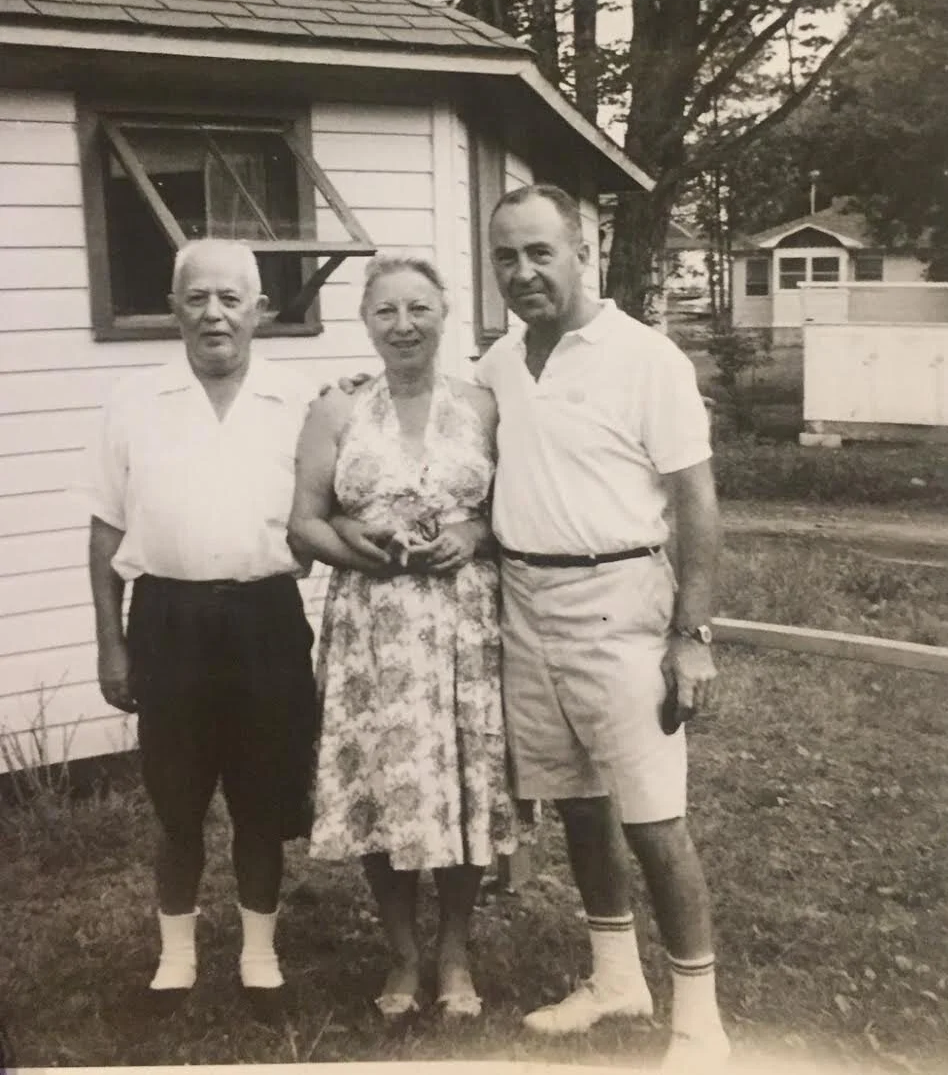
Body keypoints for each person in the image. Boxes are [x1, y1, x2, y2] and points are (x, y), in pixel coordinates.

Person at [475, 183, 729, 1073]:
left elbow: (696, 499)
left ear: (582, 249)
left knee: (654, 818)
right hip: (525, 603)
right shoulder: (499, 364)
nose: (523, 271)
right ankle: (616, 977)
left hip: (622, 601)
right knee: (579, 803)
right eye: (505, 256)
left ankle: (699, 1018)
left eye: (540, 252)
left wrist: (691, 634)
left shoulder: (645, 357)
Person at [86, 239, 317, 1014]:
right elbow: (105, 533)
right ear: (174, 309)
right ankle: (176, 959)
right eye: (196, 299)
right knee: (176, 803)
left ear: (259, 311)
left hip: (265, 621)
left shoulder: (300, 402)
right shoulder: (134, 401)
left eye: (230, 299)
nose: (213, 314)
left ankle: (259, 957)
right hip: (168, 619)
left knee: (261, 799)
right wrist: (110, 644)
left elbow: (322, 518)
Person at [287, 255, 518, 1022]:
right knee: (383, 785)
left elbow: (514, 509)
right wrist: (365, 549)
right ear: (366, 322)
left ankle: (453, 951)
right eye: (387, 312)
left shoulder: (483, 406)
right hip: (372, 628)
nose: (404, 325)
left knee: (461, 784)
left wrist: (473, 531)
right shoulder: (337, 411)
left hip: (463, 625)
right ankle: (401, 953)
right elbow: (305, 522)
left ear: (445, 316)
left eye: (419, 309)